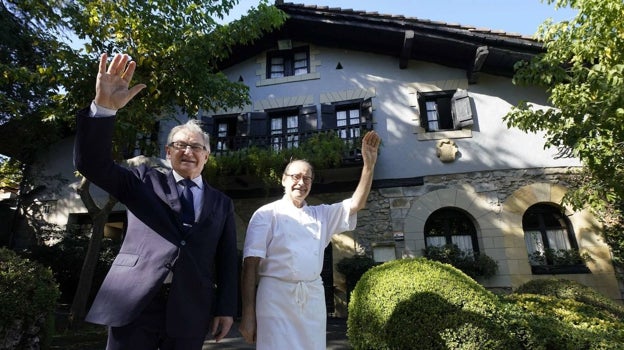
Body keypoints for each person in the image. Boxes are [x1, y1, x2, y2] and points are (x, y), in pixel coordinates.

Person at [74, 53, 238, 350]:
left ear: (207, 156)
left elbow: (227, 261)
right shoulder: (142, 180)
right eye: (180, 145)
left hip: (190, 309)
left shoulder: (222, 203)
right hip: (133, 303)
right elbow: (93, 164)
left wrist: (226, 308)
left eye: (196, 147)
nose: (188, 151)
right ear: (167, 152)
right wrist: (104, 110)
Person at [238, 130, 382, 349]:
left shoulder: (321, 215)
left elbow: (356, 204)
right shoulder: (265, 214)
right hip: (275, 299)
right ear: (284, 180)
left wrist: (368, 166)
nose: (301, 182)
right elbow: (250, 266)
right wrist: (248, 314)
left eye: (307, 178)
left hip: (312, 298)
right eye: (296, 176)